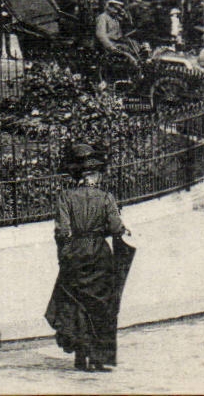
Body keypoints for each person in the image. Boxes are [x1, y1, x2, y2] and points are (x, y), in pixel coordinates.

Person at [45, 142, 133, 372]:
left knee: (76, 304)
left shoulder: (65, 197)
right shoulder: (105, 198)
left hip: (75, 252)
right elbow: (116, 228)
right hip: (99, 254)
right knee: (100, 305)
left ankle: (80, 357)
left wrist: (65, 253)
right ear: (94, 176)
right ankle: (96, 358)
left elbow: (62, 231)